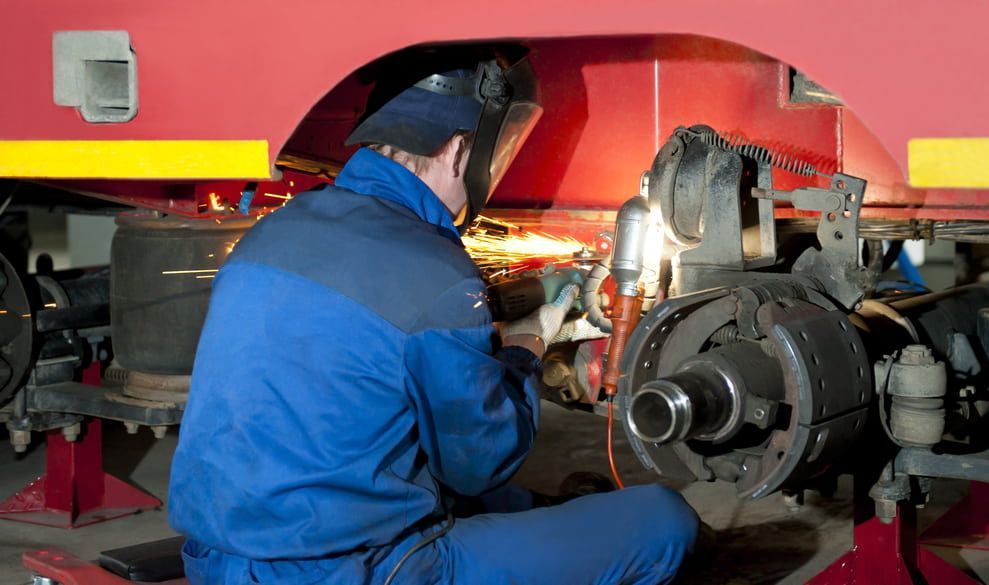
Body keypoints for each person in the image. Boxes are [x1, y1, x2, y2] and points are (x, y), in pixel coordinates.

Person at [168, 52, 700, 585]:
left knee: (507, 501)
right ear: (455, 147)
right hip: (357, 571)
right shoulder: (435, 271)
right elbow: (477, 464)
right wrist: (524, 350)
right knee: (662, 521)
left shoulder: (269, 234)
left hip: (215, 561)